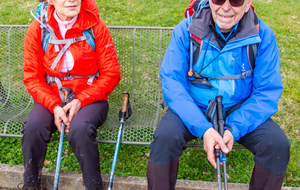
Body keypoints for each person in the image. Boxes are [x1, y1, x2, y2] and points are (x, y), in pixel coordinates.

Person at [147, 0, 290, 189]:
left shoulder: (263, 35)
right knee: (164, 138)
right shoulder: (186, 29)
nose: (226, 7)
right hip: (194, 106)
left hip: (239, 108)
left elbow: (266, 92)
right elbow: (172, 81)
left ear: (248, 4)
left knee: (277, 144)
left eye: (237, 1)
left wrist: (235, 128)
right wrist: (204, 129)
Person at [20, 0, 120, 189]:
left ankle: (93, 186)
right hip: (51, 96)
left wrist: (80, 101)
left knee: (80, 129)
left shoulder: (96, 26)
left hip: (90, 97)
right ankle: (30, 185)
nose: (72, 0)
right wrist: (54, 106)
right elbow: (32, 77)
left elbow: (111, 74)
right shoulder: (38, 28)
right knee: (33, 128)